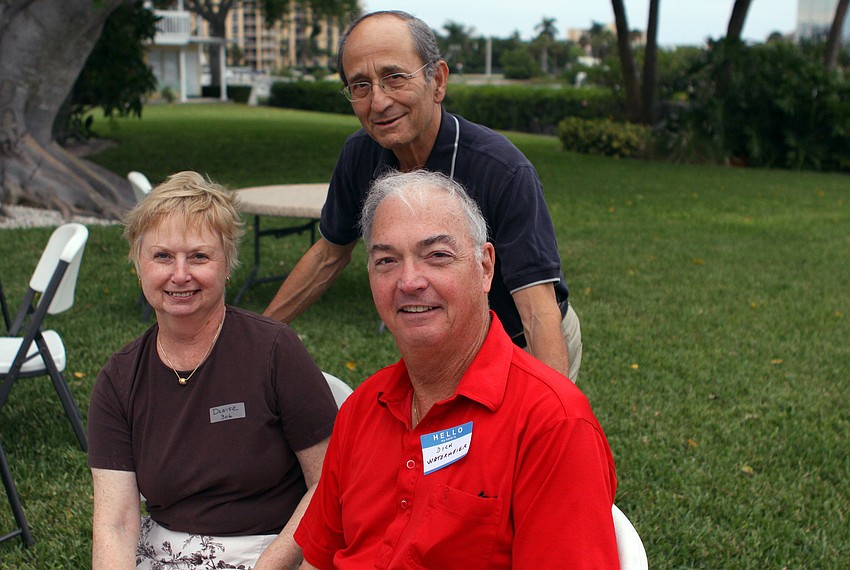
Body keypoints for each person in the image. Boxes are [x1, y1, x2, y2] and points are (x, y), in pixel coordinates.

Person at [294, 171, 618, 569]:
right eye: (386, 260)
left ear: (484, 268)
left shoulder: (552, 424)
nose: (409, 281)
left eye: (437, 256)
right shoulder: (363, 408)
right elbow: (318, 559)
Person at [263, 10, 582, 381]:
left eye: (394, 77)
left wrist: (557, 418)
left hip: (521, 343)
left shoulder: (503, 171)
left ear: (438, 80)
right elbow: (328, 257)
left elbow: (537, 311)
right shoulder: (360, 154)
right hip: (443, 349)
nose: (378, 102)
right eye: (360, 85)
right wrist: (258, 335)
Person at [87, 171, 338, 569]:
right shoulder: (119, 380)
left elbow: (328, 484)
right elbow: (115, 523)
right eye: (162, 256)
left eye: (199, 256)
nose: (180, 274)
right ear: (139, 267)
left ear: (226, 266)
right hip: (165, 553)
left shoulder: (274, 350)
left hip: (272, 550)